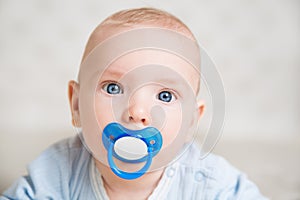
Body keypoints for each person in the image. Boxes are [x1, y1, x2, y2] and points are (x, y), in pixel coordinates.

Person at [0, 7, 267, 200]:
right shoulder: (58, 171)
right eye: (113, 88)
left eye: (165, 96)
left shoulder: (208, 181)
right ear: (77, 105)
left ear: (191, 122)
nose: (137, 112)